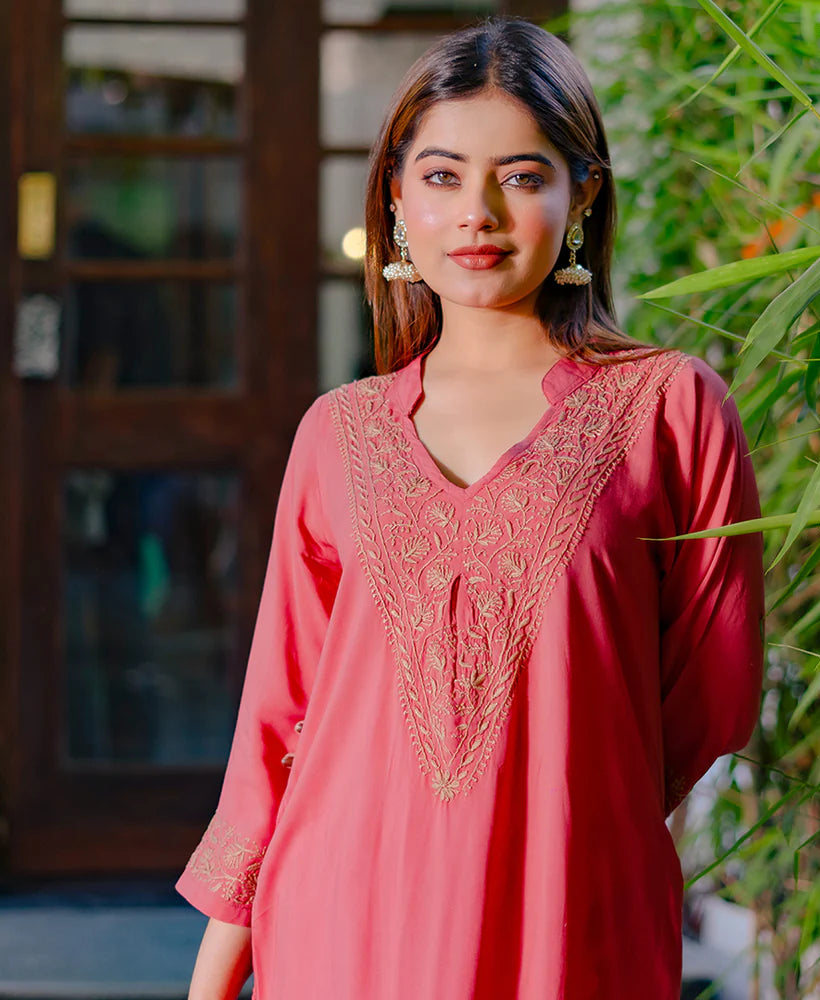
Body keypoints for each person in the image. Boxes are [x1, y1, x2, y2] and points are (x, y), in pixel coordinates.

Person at [176, 15, 765, 1000]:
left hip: (569, 923)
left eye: (522, 177)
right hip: (338, 926)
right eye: (442, 176)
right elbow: (279, 719)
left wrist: (567, 824)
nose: (477, 213)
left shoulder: (670, 408)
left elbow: (710, 696)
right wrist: (213, 972)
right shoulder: (338, 432)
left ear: (582, 197)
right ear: (397, 203)